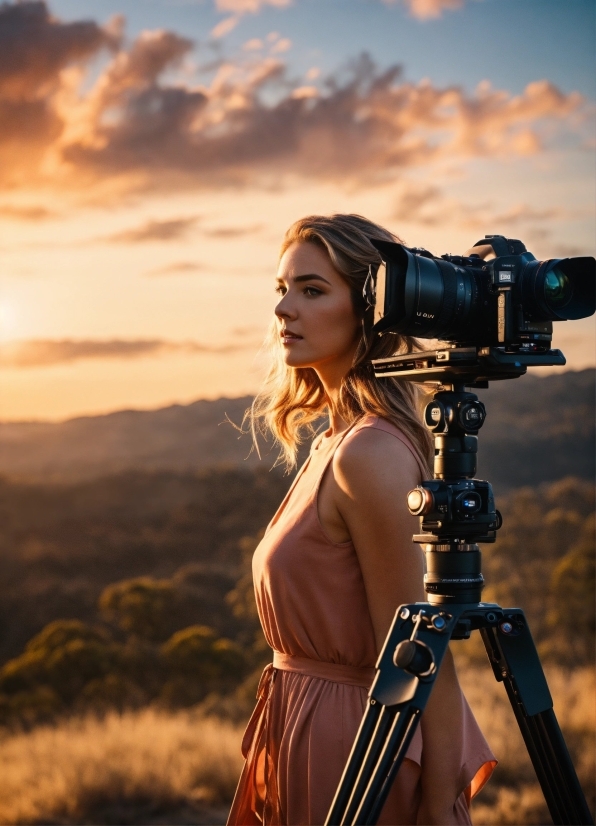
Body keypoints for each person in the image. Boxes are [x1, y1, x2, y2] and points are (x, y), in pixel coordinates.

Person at [227, 214, 496, 826]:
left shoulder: (368, 455)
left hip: (360, 752)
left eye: (313, 290)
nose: (284, 310)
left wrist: (434, 810)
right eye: (282, 288)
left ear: (370, 309)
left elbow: (424, 657)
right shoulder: (334, 441)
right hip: (316, 731)